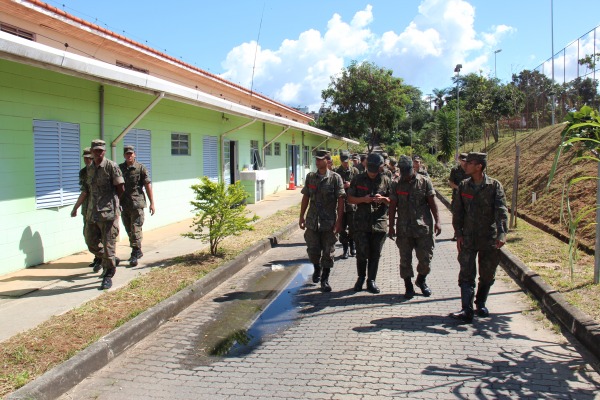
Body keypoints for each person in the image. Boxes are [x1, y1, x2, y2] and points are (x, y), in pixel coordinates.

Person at [450, 152, 508, 323]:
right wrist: (458, 234)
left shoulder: (494, 186)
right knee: (466, 273)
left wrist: (502, 233)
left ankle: (480, 303)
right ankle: (466, 309)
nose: (465, 165)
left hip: (488, 238)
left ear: (479, 166)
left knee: (487, 274)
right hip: (468, 238)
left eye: (469, 163)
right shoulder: (463, 186)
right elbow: (458, 212)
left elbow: (501, 211)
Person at [72, 139, 124, 290]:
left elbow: (120, 188)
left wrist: (113, 204)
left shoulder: (111, 166)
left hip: (108, 214)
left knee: (109, 245)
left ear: (104, 151)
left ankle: (108, 273)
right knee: (91, 243)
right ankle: (110, 259)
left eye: (101, 150)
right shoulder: (89, 169)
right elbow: (85, 191)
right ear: (92, 152)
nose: (98, 153)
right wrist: (76, 207)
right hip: (92, 213)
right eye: (96, 150)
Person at [388, 156, 441, 299]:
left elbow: (432, 203)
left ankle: (421, 280)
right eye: (404, 171)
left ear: (413, 168)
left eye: (408, 170)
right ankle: (408, 286)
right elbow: (392, 206)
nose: (407, 174)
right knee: (405, 260)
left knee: (425, 259)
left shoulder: (424, 182)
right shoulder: (396, 184)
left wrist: (438, 221)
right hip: (404, 229)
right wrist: (391, 226)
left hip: (423, 228)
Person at [299, 150, 345, 292]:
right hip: (312, 221)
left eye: (320, 159)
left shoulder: (335, 178)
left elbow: (341, 200)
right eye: (316, 160)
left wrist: (339, 222)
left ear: (328, 161)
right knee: (313, 250)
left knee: (328, 252)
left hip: (328, 222)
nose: (317, 162)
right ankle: (317, 268)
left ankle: (325, 279)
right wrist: (301, 216)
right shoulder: (310, 177)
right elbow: (306, 197)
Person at [347, 153, 392, 294]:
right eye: (370, 170)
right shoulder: (358, 179)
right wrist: (363, 200)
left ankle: (371, 280)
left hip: (379, 223)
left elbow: (393, 201)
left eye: (375, 170)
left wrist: (383, 198)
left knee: (375, 254)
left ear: (380, 167)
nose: (372, 173)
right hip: (361, 223)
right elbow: (350, 198)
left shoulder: (386, 180)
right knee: (361, 252)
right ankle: (361, 278)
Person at [119, 145, 155, 267]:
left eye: (131, 153)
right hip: (124, 204)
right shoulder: (119, 168)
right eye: (127, 154)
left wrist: (152, 203)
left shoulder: (141, 168)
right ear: (124, 155)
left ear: (134, 154)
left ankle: (134, 252)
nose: (129, 155)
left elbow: (148, 185)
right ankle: (138, 249)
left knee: (136, 228)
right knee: (128, 229)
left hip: (137, 203)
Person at [71, 147, 101, 271]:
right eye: (85, 158)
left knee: (100, 235)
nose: (87, 160)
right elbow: (84, 192)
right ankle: (98, 257)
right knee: (89, 235)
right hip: (87, 209)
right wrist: (76, 207)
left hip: (99, 208)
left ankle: (103, 259)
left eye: (89, 158)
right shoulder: (83, 172)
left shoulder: (100, 170)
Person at [334, 151, 359, 259]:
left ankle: (352, 245)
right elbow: (333, 188)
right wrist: (343, 186)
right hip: (341, 205)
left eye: (347, 161)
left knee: (353, 227)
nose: (345, 163)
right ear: (341, 160)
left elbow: (361, 186)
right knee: (342, 228)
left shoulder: (355, 171)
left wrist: (351, 185)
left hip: (352, 204)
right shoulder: (336, 172)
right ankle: (345, 248)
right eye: (343, 161)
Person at [448, 153, 469, 241]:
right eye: (462, 160)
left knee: (468, 216)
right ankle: (457, 233)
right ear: (459, 160)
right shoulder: (455, 170)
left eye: (465, 160)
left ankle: (466, 233)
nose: (464, 162)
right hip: (457, 197)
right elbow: (451, 183)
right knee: (456, 215)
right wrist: (460, 188)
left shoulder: (471, 169)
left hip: (468, 197)